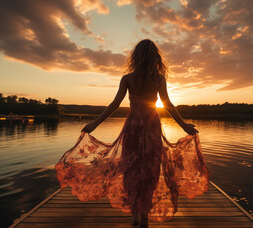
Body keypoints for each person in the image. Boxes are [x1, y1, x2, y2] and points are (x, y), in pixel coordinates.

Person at [55, 39, 210, 228]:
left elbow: (114, 105)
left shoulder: (128, 78)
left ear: (135, 57)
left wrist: (95, 123)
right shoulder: (158, 78)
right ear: (155, 58)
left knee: (131, 169)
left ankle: (136, 214)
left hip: (134, 127)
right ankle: (143, 214)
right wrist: (183, 125)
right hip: (152, 126)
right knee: (150, 171)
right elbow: (167, 105)